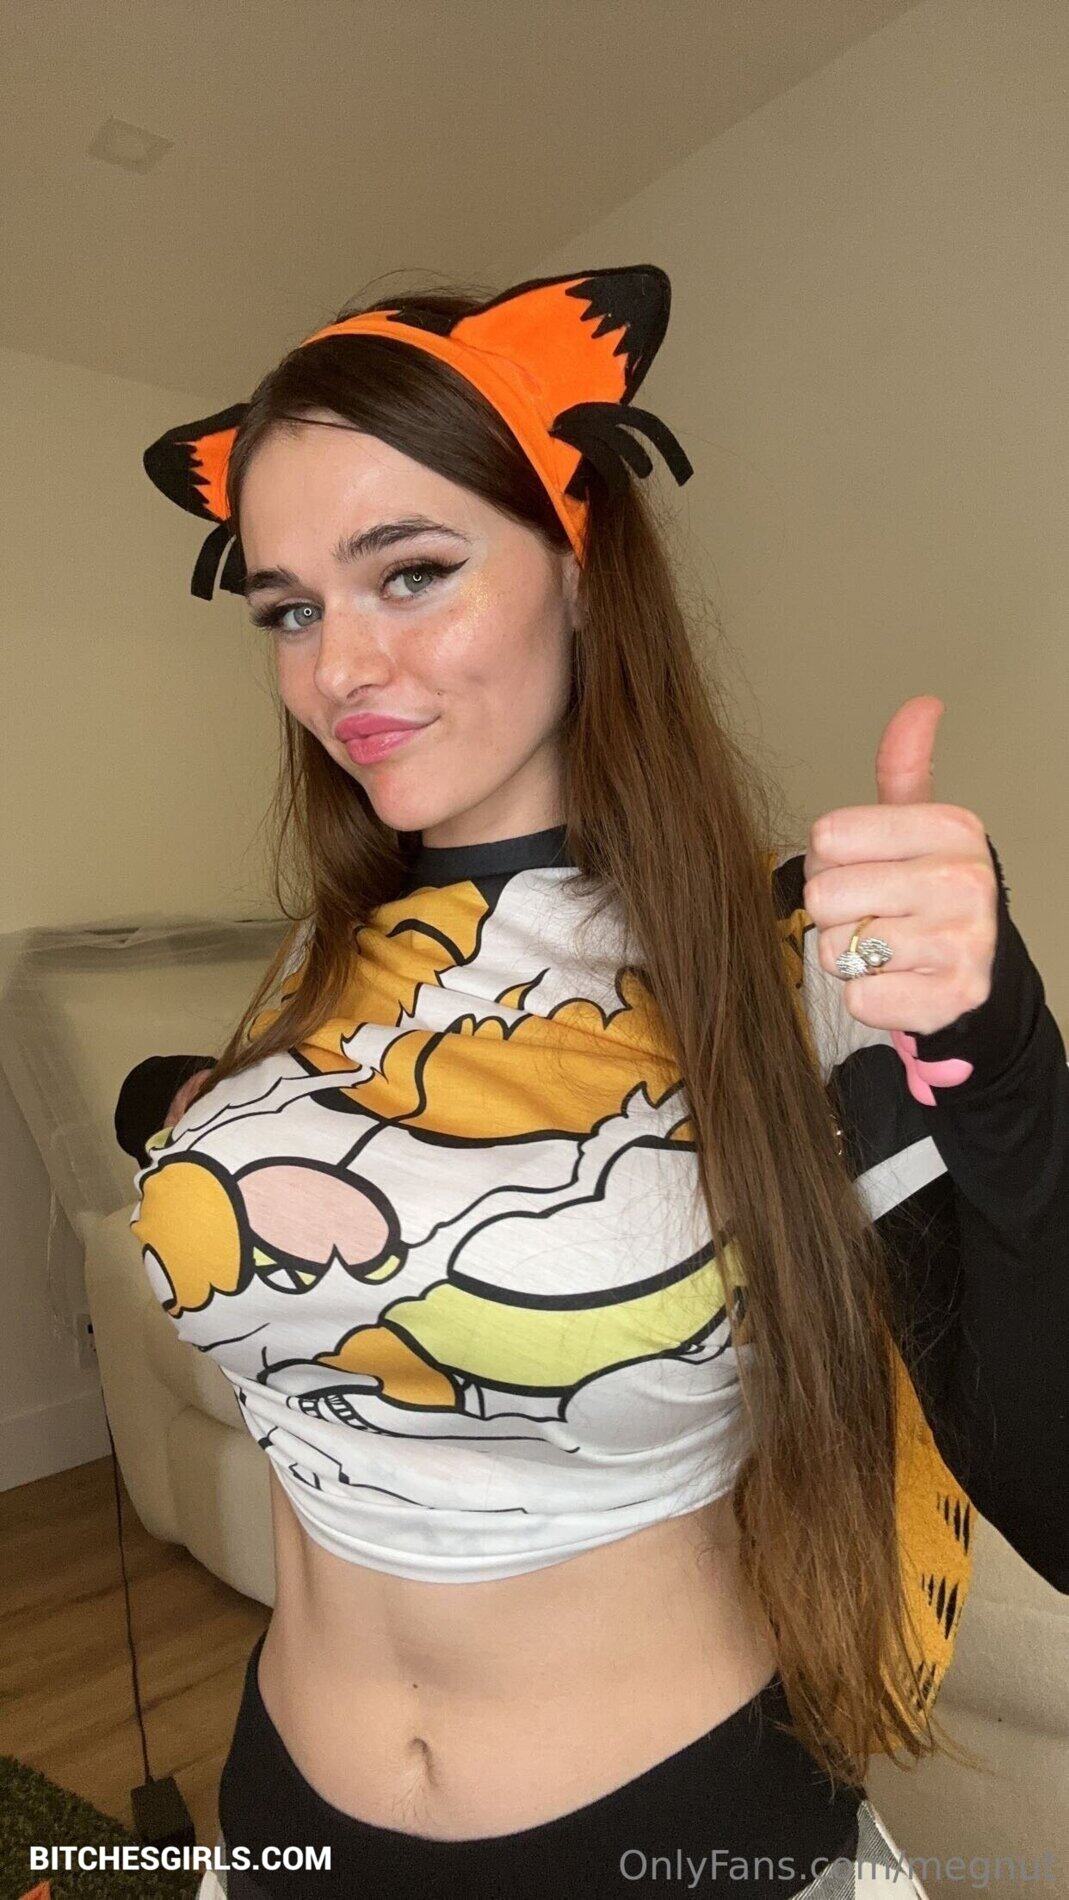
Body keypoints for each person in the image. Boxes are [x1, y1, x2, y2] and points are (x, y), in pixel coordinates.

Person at [114, 267, 1068, 1898]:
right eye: (288, 609)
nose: (337, 667)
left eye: (410, 571)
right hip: (281, 1823)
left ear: (578, 569)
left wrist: (1004, 1063)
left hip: (676, 1845)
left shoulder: (790, 962)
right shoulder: (314, 965)